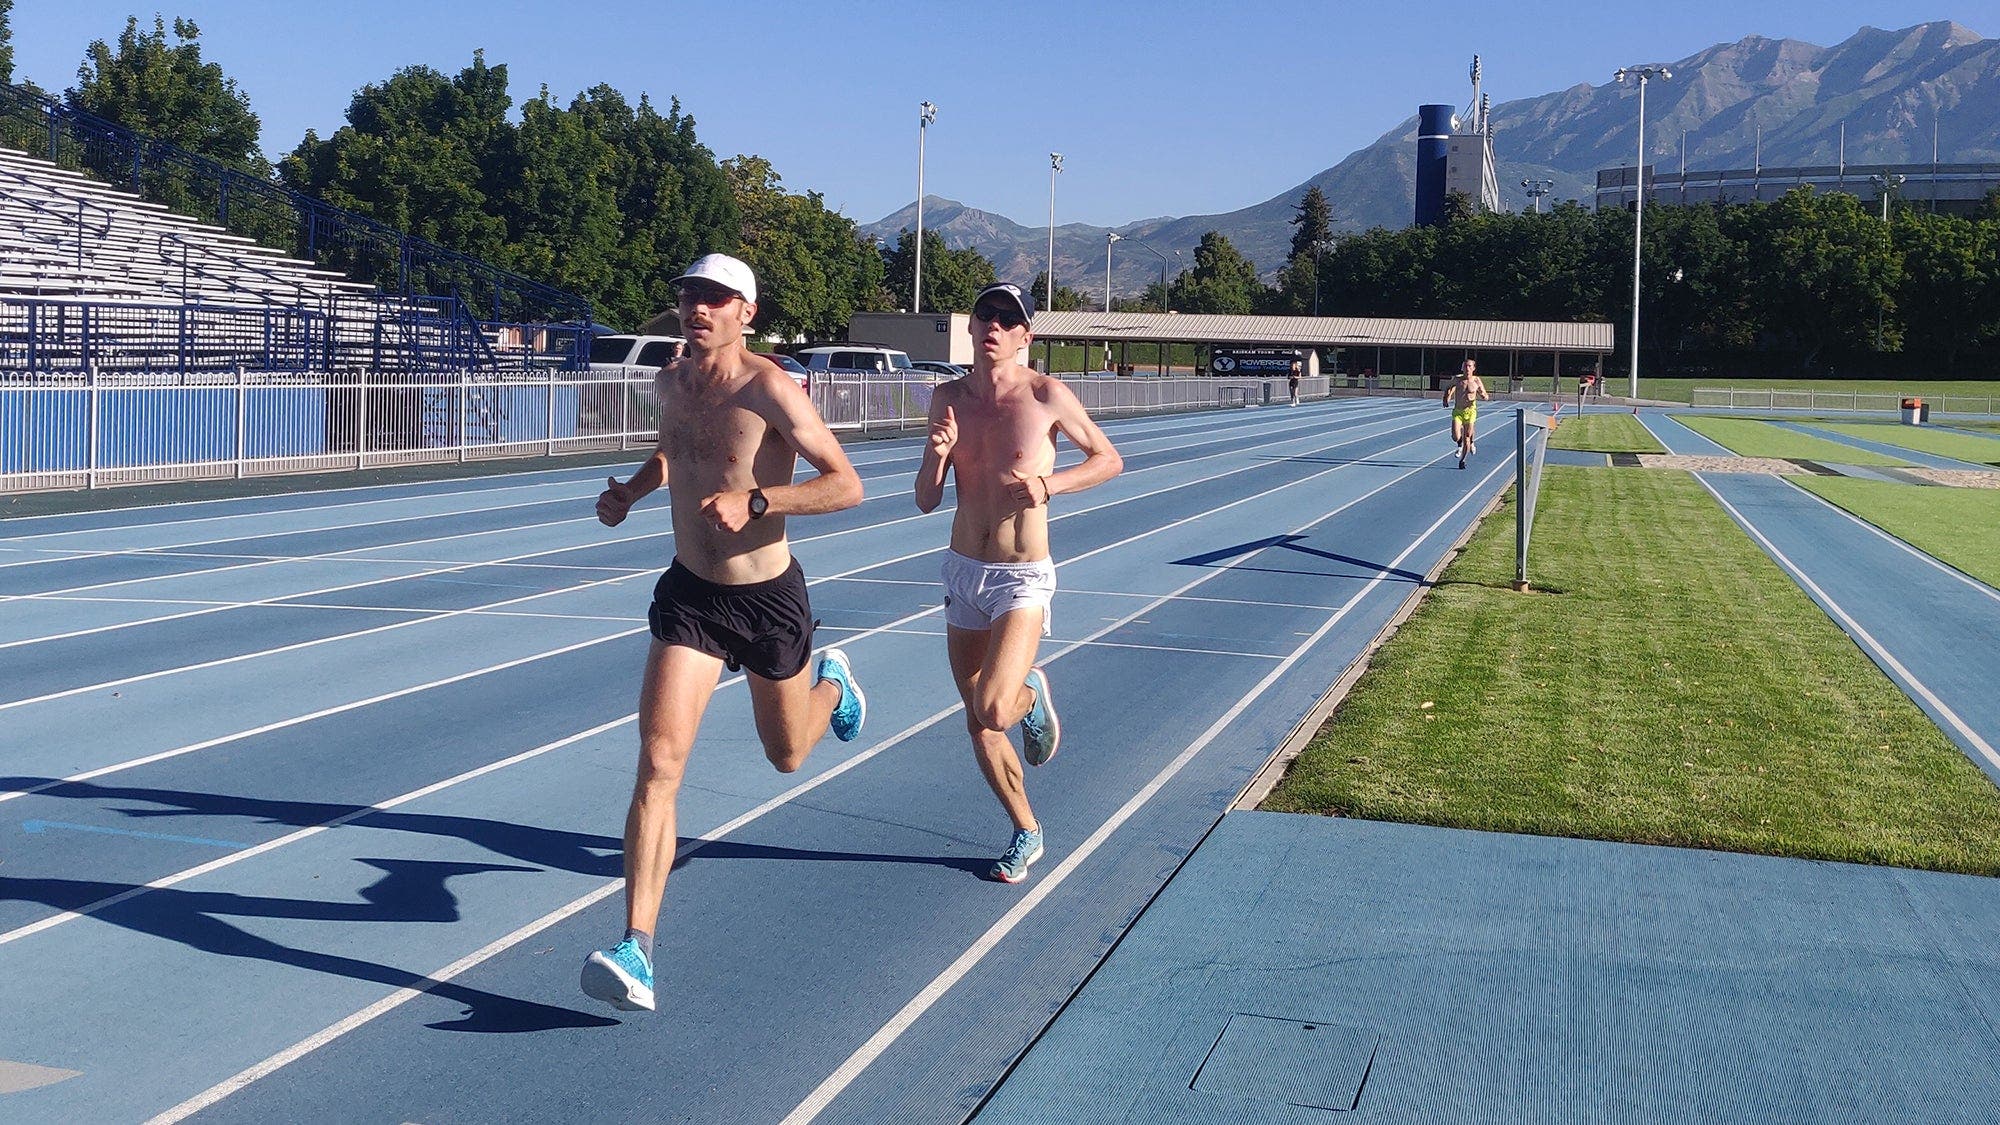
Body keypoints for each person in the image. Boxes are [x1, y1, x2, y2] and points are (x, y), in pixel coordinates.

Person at [581, 254, 867, 1013]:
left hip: (767, 599)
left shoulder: (771, 386)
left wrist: (760, 501)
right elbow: (678, 451)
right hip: (692, 598)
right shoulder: (670, 381)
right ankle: (636, 947)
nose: (695, 308)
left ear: (747, 312)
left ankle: (832, 679)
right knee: (658, 763)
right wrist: (631, 494)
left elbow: (847, 482)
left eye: (713, 298)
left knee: (786, 755)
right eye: (687, 294)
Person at [915, 283, 1123, 884]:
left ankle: (1029, 694)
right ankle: (1026, 830)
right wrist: (937, 454)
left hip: (1022, 575)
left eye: (1009, 320)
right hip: (963, 569)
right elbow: (927, 499)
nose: (995, 327)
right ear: (972, 325)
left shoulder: (1046, 394)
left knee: (998, 706)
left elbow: (1108, 459)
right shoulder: (947, 397)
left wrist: (1048, 486)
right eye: (986, 315)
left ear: (1026, 335)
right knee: (977, 720)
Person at [1443, 358, 1490, 470]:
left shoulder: (1476, 381)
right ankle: (1459, 443)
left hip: (1470, 411)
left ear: (1473, 368)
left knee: (1467, 437)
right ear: (1462, 368)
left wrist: (1483, 396)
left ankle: (1463, 460)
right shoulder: (1458, 379)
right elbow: (1448, 387)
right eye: (1465, 366)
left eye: (1469, 366)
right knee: (1455, 436)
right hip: (1458, 411)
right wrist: (1446, 398)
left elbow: (1485, 395)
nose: (1467, 369)